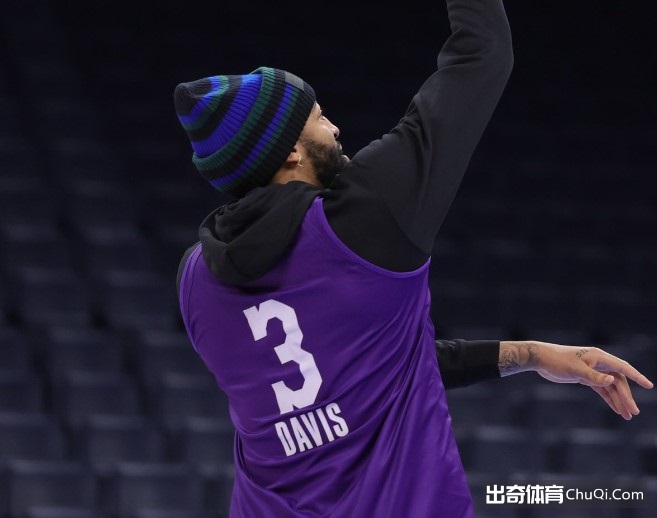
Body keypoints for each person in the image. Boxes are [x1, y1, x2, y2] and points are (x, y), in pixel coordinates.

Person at [173, 0, 653, 515]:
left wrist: (531, 354)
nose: (334, 128)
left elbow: (374, 365)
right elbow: (482, 55)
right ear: (290, 150)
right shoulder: (363, 216)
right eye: (318, 117)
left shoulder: (195, 280)